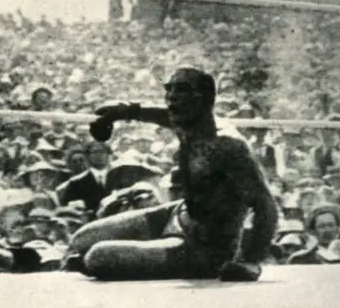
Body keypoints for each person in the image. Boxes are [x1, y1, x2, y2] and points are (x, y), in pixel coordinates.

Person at [66, 68, 279, 282]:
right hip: (177, 214)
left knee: (99, 257)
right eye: (170, 89)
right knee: (81, 240)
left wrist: (251, 260)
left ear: (203, 99)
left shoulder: (228, 145)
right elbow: (163, 114)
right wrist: (127, 111)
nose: (172, 96)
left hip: (206, 246)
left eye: (182, 90)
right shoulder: (187, 121)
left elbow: (266, 206)